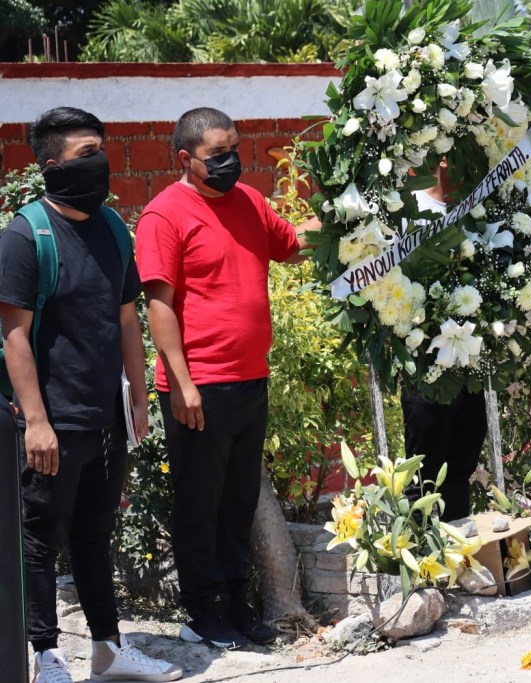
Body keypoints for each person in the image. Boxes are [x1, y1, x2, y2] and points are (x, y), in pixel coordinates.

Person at [0, 108, 181, 682]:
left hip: (105, 415)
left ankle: (107, 648)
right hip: (54, 419)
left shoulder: (109, 227)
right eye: (85, 154)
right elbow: (15, 335)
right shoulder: (26, 236)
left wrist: (137, 397)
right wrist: (36, 422)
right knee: (40, 540)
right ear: (51, 166)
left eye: (100, 149)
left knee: (94, 535)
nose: (99, 162)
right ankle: (47, 655)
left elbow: (127, 318)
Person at [135, 108, 319, 649]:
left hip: (249, 380)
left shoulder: (250, 202)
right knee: (200, 502)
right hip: (199, 388)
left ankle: (236, 605)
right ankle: (202, 613)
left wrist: (349, 208)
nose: (230, 160)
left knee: (237, 500)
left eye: (234, 148)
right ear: (186, 159)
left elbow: (291, 246)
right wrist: (182, 382)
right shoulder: (164, 215)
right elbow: (158, 306)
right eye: (218, 154)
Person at [401, 161, 487, 521]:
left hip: (471, 362)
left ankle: (458, 554)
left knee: (462, 463)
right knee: (425, 470)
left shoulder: (479, 205)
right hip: (426, 364)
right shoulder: (408, 211)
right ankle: (419, 556)